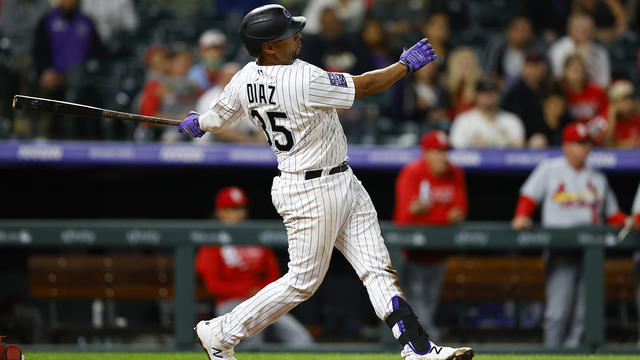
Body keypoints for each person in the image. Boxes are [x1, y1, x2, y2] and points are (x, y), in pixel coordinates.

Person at [178, 4, 473, 360]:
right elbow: (364, 86)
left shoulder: (243, 79)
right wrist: (404, 66)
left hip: (341, 179)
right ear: (269, 46)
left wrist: (199, 123)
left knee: (377, 267)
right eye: (289, 34)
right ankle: (221, 332)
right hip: (309, 188)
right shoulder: (302, 78)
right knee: (302, 282)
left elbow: (218, 116)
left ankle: (419, 349)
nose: (298, 35)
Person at [511, 122, 627, 348]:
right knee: (558, 312)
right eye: (578, 144)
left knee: (584, 314)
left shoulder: (597, 177)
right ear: (566, 146)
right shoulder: (550, 168)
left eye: (587, 144)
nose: (584, 149)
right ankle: (552, 352)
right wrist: (521, 216)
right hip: (560, 249)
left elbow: (612, 215)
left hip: (591, 252)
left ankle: (573, 353)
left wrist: (628, 220)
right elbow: (528, 198)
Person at [195, 186, 314, 348]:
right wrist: (247, 291)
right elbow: (213, 284)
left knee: (301, 340)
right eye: (232, 209)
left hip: (263, 300)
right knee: (253, 342)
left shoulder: (255, 236)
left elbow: (274, 275)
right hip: (231, 302)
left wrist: (261, 292)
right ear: (220, 212)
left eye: (241, 208)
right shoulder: (212, 241)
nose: (238, 214)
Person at [393, 130, 467, 342]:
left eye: (445, 151)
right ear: (425, 152)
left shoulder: (455, 173)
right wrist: (443, 214)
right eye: (437, 151)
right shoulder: (412, 172)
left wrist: (428, 212)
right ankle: (428, 344)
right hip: (412, 254)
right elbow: (405, 218)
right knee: (418, 308)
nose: (443, 156)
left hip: (438, 254)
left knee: (429, 307)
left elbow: (460, 212)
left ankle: (422, 344)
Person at [449, 77, 525, 149]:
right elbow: (456, 150)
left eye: (493, 91)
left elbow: (519, 149)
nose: (489, 95)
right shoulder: (464, 120)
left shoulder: (511, 120)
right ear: (476, 95)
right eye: (484, 92)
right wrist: (475, 146)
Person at [501, 51, 550, 146]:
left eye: (539, 66)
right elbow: (508, 120)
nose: (536, 71)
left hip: (548, 139)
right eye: (532, 67)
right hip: (521, 140)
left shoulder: (551, 89)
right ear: (524, 68)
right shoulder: (515, 93)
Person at [549, 14, 611, 87]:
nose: (583, 32)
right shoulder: (558, 49)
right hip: (566, 91)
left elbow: (604, 81)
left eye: (587, 29)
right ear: (569, 30)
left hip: (593, 93)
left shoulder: (600, 51)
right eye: (578, 28)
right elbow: (558, 77)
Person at [560, 54, 608, 140]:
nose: (578, 75)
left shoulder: (596, 91)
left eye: (581, 71)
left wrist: (592, 128)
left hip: (594, 133)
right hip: (569, 135)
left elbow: (605, 113)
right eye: (574, 71)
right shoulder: (561, 92)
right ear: (565, 71)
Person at [482, 16, 540, 87]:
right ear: (509, 31)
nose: (523, 34)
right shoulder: (497, 46)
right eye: (520, 30)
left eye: (527, 31)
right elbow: (488, 74)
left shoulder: (536, 50)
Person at [599, 79, 640, 147]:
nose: (628, 103)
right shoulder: (603, 119)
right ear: (613, 102)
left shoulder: (635, 118)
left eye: (629, 98)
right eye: (623, 100)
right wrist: (612, 117)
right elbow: (604, 145)